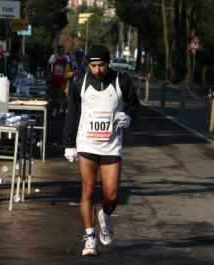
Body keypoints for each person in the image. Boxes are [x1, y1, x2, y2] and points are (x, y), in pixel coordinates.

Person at [62, 45, 140, 256]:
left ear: (109, 63)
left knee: (112, 196)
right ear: (89, 64)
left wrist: (129, 117)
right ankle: (90, 238)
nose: (97, 70)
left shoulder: (121, 81)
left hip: (112, 145)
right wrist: (69, 144)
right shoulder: (81, 83)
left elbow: (134, 105)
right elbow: (73, 114)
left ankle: (105, 216)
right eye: (93, 65)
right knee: (88, 190)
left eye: (101, 65)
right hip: (86, 144)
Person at [47, 45, 70, 117]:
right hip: (54, 77)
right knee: (54, 95)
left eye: (62, 51)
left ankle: (60, 109)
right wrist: (48, 74)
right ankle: (54, 109)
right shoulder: (53, 57)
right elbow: (48, 65)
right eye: (59, 51)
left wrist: (64, 59)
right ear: (57, 51)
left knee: (60, 94)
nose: (61, 52)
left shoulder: (66, 57)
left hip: (62, 77)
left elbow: (69, 65)